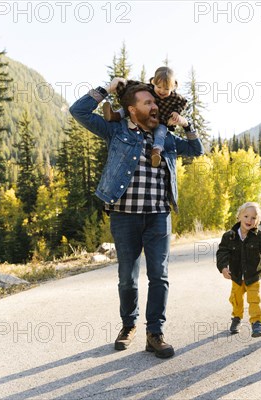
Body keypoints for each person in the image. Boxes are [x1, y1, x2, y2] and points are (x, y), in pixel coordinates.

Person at [69, 77, 204, 358]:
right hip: (124, 216)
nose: (155, 105)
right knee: (126, 278)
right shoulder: (116, 131)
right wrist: (107, 88)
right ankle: (128, 325)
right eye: (148, 102)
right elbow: (78, 111)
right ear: (132, 109)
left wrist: (188, 125)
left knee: (159, 276)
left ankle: (154, 332)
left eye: (155, 101)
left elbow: (196, 149)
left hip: (158, 216)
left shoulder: (165, 137)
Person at [216, 202, 261, 337]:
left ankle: (256, 323)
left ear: (257, 221)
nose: (249, 220)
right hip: (237, 277)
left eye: (253, 218)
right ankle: (237, 318)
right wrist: (223, 268)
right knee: (236, 299)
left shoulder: (258, 236)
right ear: (239, 216)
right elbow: (222, 252)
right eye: (246, 216)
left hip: (253, 276)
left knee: (254, 300)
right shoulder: (229, 236)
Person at [103, 66, 188, 168]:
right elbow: (132, 85)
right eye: (159, 87)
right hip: (145, 114)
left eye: (166, 89)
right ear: (153, 82)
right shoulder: (148, 88)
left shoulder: (175, 98)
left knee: (161, 133)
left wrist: (176, 112)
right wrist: (121, 82)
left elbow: (183, 103)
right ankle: (114, 115)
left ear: (173, 87)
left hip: (161, 120)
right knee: (133, 107)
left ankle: (156, 151)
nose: (162, 91)